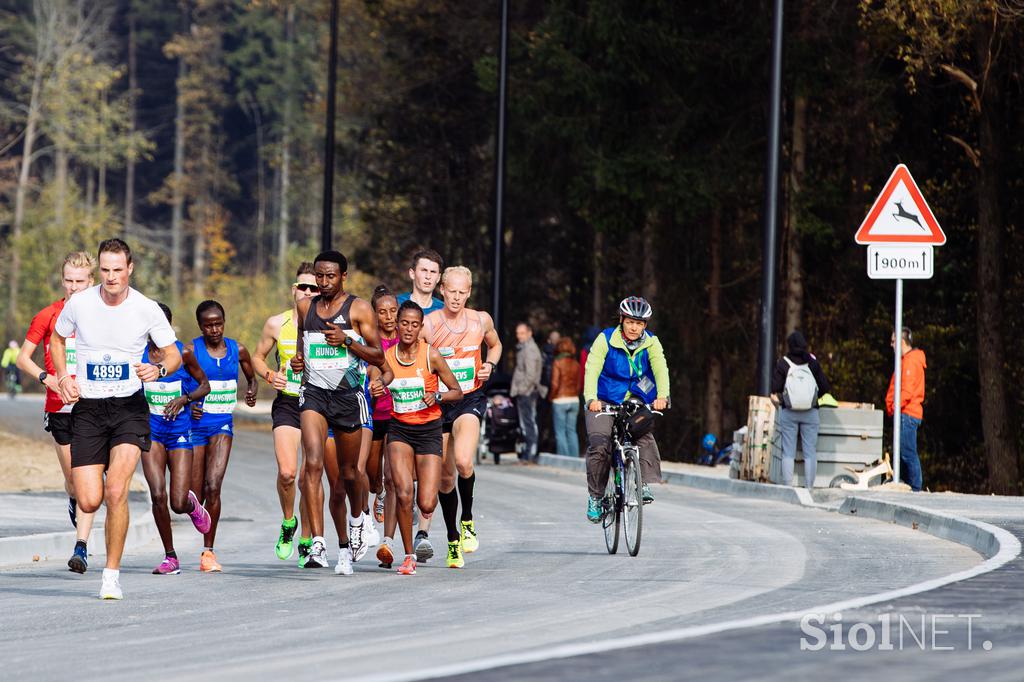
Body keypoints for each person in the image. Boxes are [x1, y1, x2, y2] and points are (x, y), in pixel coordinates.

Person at [51, 238, 181, 599]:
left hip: (128, 408)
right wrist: (63, 377)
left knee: (115, 490)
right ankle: (95, 539)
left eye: (117, 270)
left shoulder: (146, 308)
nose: (110, 277)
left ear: (130, 269)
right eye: (105, 270)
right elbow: (57, 340)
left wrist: (157, 369)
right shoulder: (80, 303)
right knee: (89, 499)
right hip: (89, 410)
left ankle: (111, 574)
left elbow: (173, 356)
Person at [290, 251, 384, 570]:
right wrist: (298, 362)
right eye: (320, 276)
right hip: (314, 394)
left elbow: (378, 357)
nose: (324, 282)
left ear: (344, 276)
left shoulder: (358, 308)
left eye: (331, 276)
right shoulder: (306, 307)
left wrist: (347, 342)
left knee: (349, 474)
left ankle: (357, 521)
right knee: (313, 464)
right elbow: (303, 346)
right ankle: (319, 542)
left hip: (348, 395)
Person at [16, 251, 99, 572]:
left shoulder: (101, 314)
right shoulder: (49, 315)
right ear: (62, 280)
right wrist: (48, 378)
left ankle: (81, 548)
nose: (74, 287)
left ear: (91, 281)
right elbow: (24, 357)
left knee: (88, 477)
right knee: (74, 482)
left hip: (94, 407)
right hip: (59, 407)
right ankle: (74, 498)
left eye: (80, 281)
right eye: (69, 281)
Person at [371, 301, 464, 575]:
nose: (409, 329)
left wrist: (437, 396)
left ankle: (415, 513)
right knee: (402, 492)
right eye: (404, 323)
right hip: (399, 429)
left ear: (420, 327)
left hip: (429, 431)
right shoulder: (387, 357)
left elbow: (456, 391)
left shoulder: (431, 355)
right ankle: (408, 555)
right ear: (397, 325)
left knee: (426, 502)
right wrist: (377, 388)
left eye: (414, 324)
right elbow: (377, 378)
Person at [421, 266, 502, 568]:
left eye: (461, 292)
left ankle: (467, 520)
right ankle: (453, 539)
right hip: (439, 403)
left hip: (469, 398)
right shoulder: (429, 324)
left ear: (469, 292)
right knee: (444, 477)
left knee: (464, 461)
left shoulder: (480, 320)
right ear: (442, 290)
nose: (456, 298)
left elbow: (495, 345)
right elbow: (417, 357)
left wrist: (490, 365)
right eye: (451, 291)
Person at [251, 263, 319, 564]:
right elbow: (257, 357)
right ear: (294, 289)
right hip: (289, 403)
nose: (307, 292)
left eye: (313, 288)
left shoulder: (327, 324)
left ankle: (307, 537)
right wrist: (268, 376)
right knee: (288, 473)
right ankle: (288, 522)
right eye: (302, 286)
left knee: (309, 478)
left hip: (317, 404)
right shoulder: (277, 324)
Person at [583, 296, 670, 523]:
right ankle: (595, 496)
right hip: (604, 398)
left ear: (645, 326)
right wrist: (591, 398)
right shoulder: (605, 339)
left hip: (638, 395)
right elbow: (592, 368)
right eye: (630, 322)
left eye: (639, 323)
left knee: (644, 435)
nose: (634, 327)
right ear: (621, 320)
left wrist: (662, 396)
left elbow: (660, 367)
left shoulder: (651, 342)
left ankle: (643, 484)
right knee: (599, 446)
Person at [142, 303, 214, 574]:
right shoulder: (138, 354)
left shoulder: (183, 353)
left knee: (177, 502)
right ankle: (170, 557)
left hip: (180, 432)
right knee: (158, 495)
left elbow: (204, 385)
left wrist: (184, 398)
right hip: (150, 432)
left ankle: (193, 505)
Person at [188, 300, 258, 572]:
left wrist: (251, 391)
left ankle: (208, 552)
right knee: (192, 496)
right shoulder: (191, 350)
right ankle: (197, 514)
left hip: (222, 426)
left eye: (218, 323)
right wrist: (190, 403)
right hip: (195, 428)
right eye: (208, 325)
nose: (214, 329)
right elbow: (182, 382)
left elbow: (252, 378)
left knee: (213, 485)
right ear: (200, 326)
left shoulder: (237, 349)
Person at [770, 331, 831, 489]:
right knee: (810, 452)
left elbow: (775, 388)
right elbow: (825, 387)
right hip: (811, 413)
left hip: (789, 412)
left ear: (789, 346)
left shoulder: (783, 363)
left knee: (788, 452)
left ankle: (788, 487)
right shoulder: (812, 362)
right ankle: (809, 487)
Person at [368, 286, 401, 569]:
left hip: (397, 415)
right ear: (374, 314)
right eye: (382, 311)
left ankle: (387, 543)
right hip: (371, 415)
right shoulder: (371, 341)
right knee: (372, 477)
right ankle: (376, 493)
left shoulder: (406, 339)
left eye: (393, 311)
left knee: (392, 478)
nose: (389, 316)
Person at [886, 327, 926, 492]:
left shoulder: (910, 361)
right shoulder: (907, 360)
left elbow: (907, 391)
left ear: (902, 342)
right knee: (902, 453)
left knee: (907, 452)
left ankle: (916, 488)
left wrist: (894, 407)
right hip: (904, 413)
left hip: (907, 413)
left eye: (893, 341)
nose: (891, 345)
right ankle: (905, 484)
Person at [510, 322, 543, 463]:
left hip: (527, 392)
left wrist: (522, 389)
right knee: (526, 422)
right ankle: (527, 452)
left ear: (529, 333)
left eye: (522, 333)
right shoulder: (524, 348)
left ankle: (530, 453)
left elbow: (530, 374)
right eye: (518, 333)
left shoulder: (529, 349)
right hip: (525, 391)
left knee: (528, 422)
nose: (519, 336)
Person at [548, 336, 581, 457]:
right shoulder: (576, 364)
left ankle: (563, 459)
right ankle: (574, 459)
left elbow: (555, 383)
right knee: (572, 431)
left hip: (560, 400)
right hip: (574, 400)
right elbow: (578, 385)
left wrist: (551, 397)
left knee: (560, 432)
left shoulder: (557, 362)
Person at [396, 248, 445, 314]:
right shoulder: (396, 304)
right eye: (424, 270)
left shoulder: (444, 310)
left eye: (433, 272)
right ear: (412, 274)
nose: (428, 276)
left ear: (438, 277)